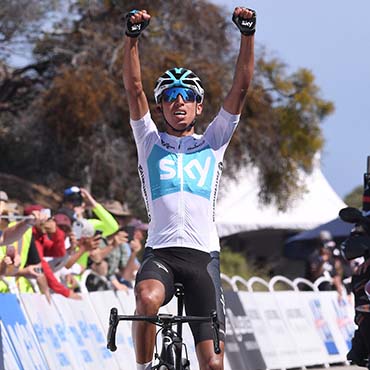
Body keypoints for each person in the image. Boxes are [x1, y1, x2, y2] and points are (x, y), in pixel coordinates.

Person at [123, 6, 255, 370]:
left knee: (212, 366)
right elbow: (134, 89)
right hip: (161, 253)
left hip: (202, 257)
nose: (178, 101)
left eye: (186, 96)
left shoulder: (213, 140)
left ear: (199, 107)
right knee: (147, 299)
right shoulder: (149, 140)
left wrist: (247, 35)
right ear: (161, 106)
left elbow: (241, 88)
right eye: (169, 96)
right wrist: (132, 39)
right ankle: (144, 367)